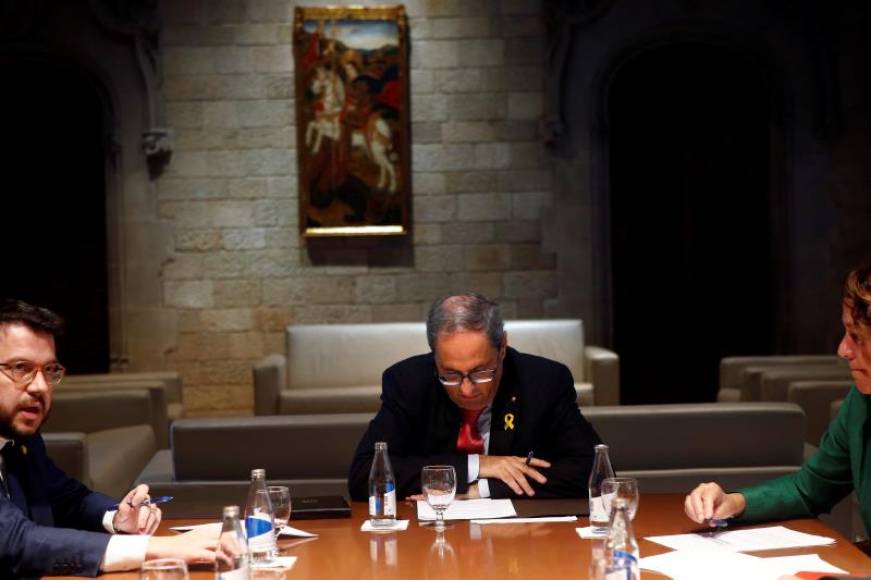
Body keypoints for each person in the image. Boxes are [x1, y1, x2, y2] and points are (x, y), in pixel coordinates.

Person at [0, 299, 217, 577]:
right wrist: (162, 548)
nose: (40, 387)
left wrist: (117, 517)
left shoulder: (23, 441)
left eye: (49, 371)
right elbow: (17, 541)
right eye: (21, 368)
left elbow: (70, 499)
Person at [348, 293, 602, 500]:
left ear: (502, 347)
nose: (467, 390)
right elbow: (364, 477)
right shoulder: (408, 381)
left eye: (481, 372)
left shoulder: (544, 381)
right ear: (433, 355)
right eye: (450, 375)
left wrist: (480, 490)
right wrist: (479, 465)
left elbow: (594, 472)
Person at [684, 262, 871, 534]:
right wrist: (734, 501)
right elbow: (808, 489)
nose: (843, 349)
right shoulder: (861, 403)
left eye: (856, 336)